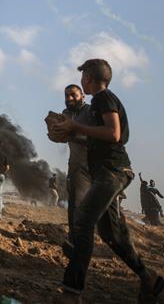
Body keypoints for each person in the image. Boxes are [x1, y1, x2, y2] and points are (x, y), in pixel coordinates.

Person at [50, 58, 164, 303]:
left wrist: (73, 126)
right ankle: (148, 278)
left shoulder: (103, 97)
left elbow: (114, 134)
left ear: (88, 79)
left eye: (82, 77)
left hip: (112, 171)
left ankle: (71, 292)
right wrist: (69, 131)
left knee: (82, 221)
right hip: (108, 172)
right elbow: (99, 136)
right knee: (112, 234)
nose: (81, 80)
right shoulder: (97, 105)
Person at [62, 84, 93, 237]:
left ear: (83, 96)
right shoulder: (65, 114)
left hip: (95, 163)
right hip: (75, 164)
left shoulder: (90, 112)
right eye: (66, 95)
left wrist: (72, 136)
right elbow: (64, 135)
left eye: (73, 94)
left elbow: (96, 137)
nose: (69, 98)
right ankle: (75, 239)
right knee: (75, 203)